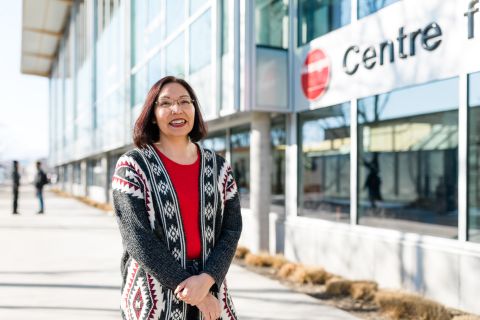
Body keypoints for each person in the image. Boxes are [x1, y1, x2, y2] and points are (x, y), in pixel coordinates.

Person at [112, 76, 242, 320]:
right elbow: (137, 236)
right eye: (165, 103)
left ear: (194, 108)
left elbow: (232, 229)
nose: (177, 109)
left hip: (210, 284)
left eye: (184, 101)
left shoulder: (220, 167)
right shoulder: (132, 167)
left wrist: (207, 280)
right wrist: (193, 291)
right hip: (152, 296)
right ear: (152, 114)